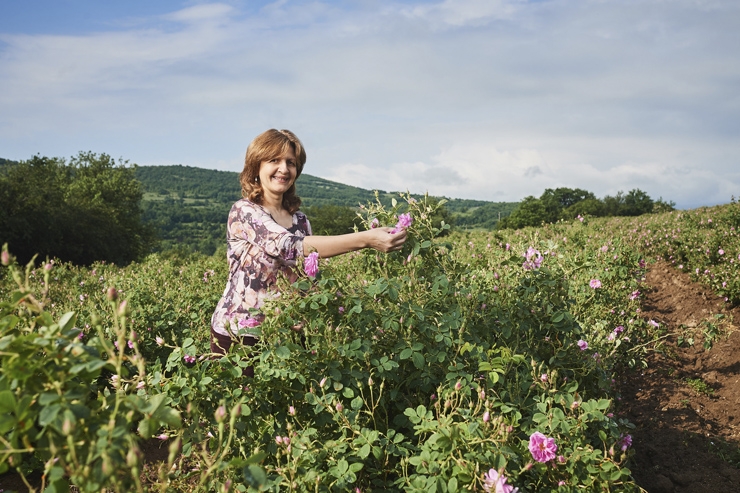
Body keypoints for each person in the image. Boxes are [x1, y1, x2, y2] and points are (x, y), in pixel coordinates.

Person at [210, 129, 407, 372]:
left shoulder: (300, 221)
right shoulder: (244, 211)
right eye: (274, 160)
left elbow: (307, 276)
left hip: (284, 334)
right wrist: (365, 239)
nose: (284, 169)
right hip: (240, 333)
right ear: (256, 167)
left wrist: (310, 313)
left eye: (290, 163)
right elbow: (288, 247)